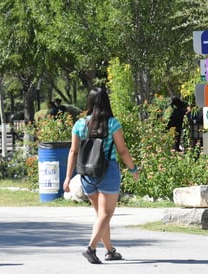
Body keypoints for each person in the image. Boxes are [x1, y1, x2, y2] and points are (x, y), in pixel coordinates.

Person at [63, 87, 139, 264]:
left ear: (89, 102)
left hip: (87, 173)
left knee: (101, 216)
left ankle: (110, 251)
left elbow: (73, 151)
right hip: (108, 171)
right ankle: (91, 248)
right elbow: (122, 150)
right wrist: (133, 169)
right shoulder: (112, 123)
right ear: (106, 101)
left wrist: (68, 177)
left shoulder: (80, 124)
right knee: (106, 214)